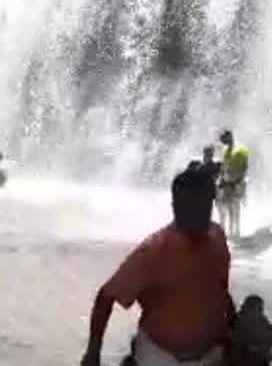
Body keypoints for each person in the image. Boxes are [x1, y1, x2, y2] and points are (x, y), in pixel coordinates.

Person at [79, 165, 234, 366]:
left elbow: (220, 288)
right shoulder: (154, 250)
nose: (200, 213)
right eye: (192, 206)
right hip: (161, 355)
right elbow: (106, 297)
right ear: (175, 206)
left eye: (205, 205)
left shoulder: (217, 237)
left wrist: (234, 324)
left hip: (211, 352)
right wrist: (93, 352)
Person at [219, 129, 250, 238]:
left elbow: (245, 168)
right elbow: (223, 166)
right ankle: (226, 230)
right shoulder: (224, 149)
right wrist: (222, 179)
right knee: (225, 206)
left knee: (235, 207)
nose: (222, 140)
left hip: (238, 182)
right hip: (227, 181)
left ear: (230, 136)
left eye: (224, 138)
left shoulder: (240, 149)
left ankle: (236, 231)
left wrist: (239, 182)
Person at [231, 294, 272, 366]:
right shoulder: (248, 319)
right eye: (260, 307)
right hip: (250, 359)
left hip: (255, 355)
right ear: (253, 306)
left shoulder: (256, 317)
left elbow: (266, 328)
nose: (261, 309)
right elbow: (265, 337)